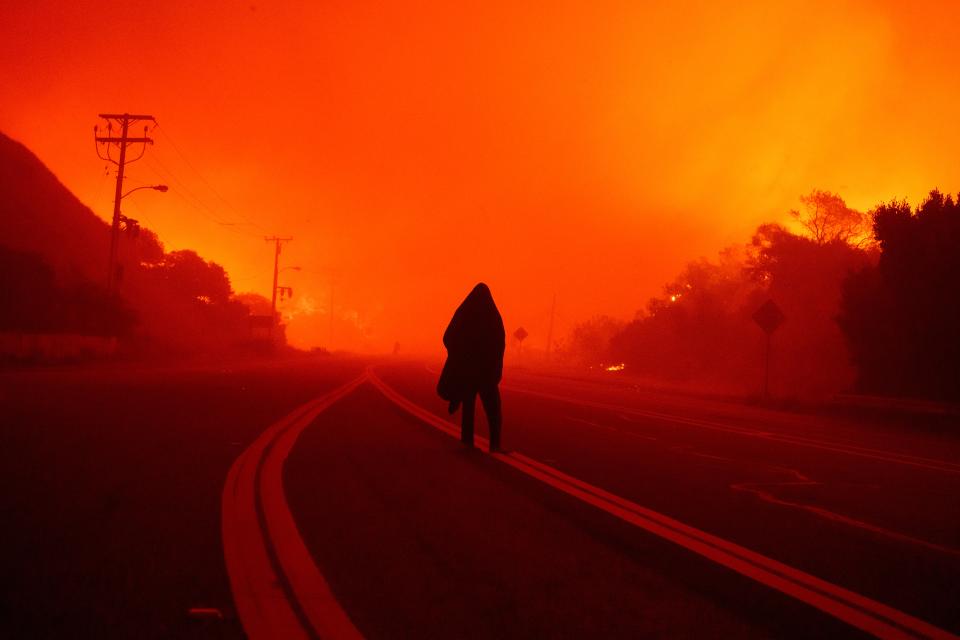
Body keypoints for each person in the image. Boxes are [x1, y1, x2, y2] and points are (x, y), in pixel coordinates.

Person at [437, 283, 505, 452]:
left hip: (469, 371)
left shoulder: (463, 314)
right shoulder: (493, 317)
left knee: (470, 406)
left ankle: (467, 442)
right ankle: (494, 445)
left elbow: (448, 337)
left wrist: (459, 356)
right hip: (486, 373)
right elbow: (499, 345)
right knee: (493, 409)